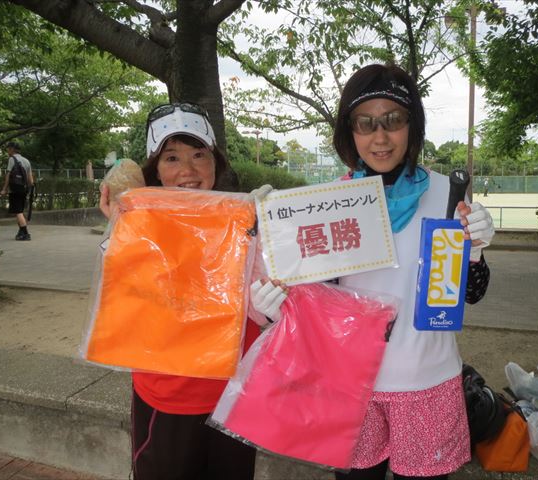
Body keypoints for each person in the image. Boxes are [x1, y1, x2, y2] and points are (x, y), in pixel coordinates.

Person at [254, 64, 495, 480]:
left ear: (412, 126)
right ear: (349, 132)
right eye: (365, 123)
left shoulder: (447, 192)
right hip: (352, 387)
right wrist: (278, 304)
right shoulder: (330, 202)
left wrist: (474, 250)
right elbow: (316, 302)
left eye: (393, 120)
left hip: (427, 382)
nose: (379, 137)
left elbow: (471, 293)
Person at [99, 102, 270, 480]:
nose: (188, 171)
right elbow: (124, 307)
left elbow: (263, 308)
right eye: (172, 157)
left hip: (234, 390)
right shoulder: (138, 224)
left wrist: (272, 236)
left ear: (215, 162)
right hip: (168, 393)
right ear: (155, 170)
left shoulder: (244, 218)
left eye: (199, 155)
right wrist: (120, 231)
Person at [0, 141, 34, 241]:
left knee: (18, 211)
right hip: (24, 189)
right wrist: (29, 190)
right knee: (20, 211)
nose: (7, 151)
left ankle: (25, 233)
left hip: (15, 188)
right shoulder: (26, 161)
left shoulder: (12, 159)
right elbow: (31, 180)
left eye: (8, 149)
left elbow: (8, 176)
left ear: (12, 149)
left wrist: (4, 189)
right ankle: (21, 232)